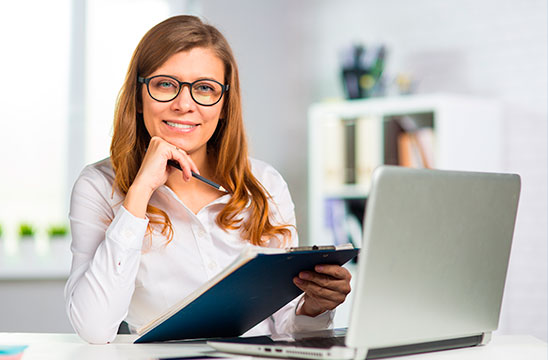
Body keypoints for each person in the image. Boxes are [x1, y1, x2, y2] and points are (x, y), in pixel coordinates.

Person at [64, 15, 351, 344]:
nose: (184, 104)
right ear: (139, 97)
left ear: (225, 104)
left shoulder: (265, 183)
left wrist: (314, 306)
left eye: (204, 88)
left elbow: (288, 329)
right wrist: (140, 192)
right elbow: (94, 329)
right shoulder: (98, 186)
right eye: (165, 84)